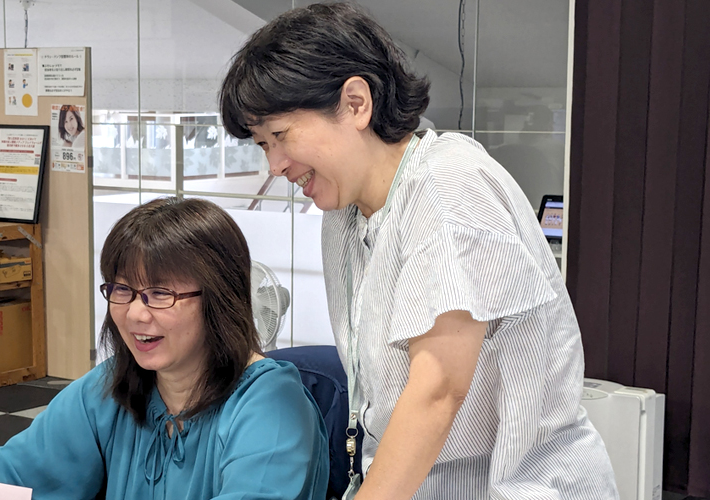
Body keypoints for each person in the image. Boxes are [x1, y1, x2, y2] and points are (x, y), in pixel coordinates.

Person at [218, 3, 618, 499]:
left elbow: (437, 389)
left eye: (280, 135)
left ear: (357, 103)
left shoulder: (448, 183)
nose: (275, 164)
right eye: (261, 145)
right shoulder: (343, 213)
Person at [0, 197, 329, 500]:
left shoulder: (269, 403)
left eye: (160, 294)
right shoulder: (109, 388)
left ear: (219, 299)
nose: (136, 314)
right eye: (121, 289)